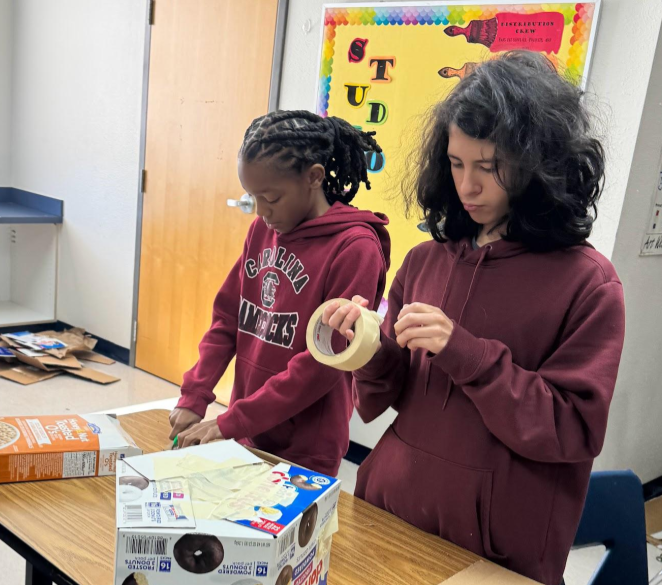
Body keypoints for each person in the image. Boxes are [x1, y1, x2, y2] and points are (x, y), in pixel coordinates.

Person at [321, 51, 625, 584]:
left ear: (540, 163)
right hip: (390, 511)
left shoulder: (588, 283)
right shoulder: (426, 259)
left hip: (496, 549)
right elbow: (388, 393)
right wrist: (367, 345)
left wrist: (467, 353)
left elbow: (571, 429)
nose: (468, 187)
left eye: (489, 167)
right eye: (457, 164)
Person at [169, 110, 391, 476]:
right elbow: (228, 318)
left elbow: (322, 363)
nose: (260, 211)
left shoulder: (356, 248)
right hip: (249, 429)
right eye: (253, 197)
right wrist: (196, 394)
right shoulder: (263, 230)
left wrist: (233, 421)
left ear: (313, 177)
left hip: (306, 446)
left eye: (270, 197)